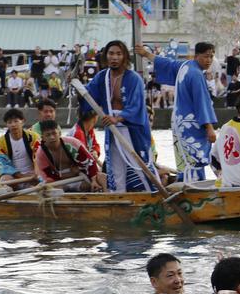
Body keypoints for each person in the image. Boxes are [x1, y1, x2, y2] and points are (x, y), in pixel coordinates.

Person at [79, 41, 154, 192]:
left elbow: (136, 106)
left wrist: (118, 118)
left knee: (140, 165)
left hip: (131, 127)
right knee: (115, 167)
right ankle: (118, 195)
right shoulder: (101, 77)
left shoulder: (134, 79)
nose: (114, 57)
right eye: (111, 53)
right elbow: (88, 95)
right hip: (112, 128)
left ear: (125, 57)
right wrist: (76, 86)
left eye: (118, 54)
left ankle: (152, 194)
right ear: (106, 56)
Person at [140, 42, 218, 182]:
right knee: (194, 160)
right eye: (206, 56)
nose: (209, 60)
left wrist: (146, 54)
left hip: (179, 122)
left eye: (211, 57)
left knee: (184, 159)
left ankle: (185, 180)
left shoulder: (185, 66)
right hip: (191, 123)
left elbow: (166, 63)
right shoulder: (196, 74)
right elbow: (201, 103)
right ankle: (195, 188)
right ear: (197, 56)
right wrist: (210, 128)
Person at [34, 120, 105, 192]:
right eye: (48, 135)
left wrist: (94, 181)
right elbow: (48, 177)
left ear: (59, 133)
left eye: (54, 133)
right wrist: (68, 175)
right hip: (59, 182)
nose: (52, 137)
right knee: (52, 190)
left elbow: (90, 163)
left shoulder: (73, 143)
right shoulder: (40, 153)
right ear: (42, 138)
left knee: (94, 182)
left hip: (78, 177)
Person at [0, 108, 39, 184]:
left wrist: (36, 173)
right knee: (5, 179)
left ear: (23, 122)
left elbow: (40, 158)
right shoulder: (0, 142)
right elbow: (3, 164)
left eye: (16, 121)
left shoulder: (34, 137)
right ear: (6, 124)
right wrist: (21, 176)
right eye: (10, 122)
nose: (13, 125)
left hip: (33, 174)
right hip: (14, 176)